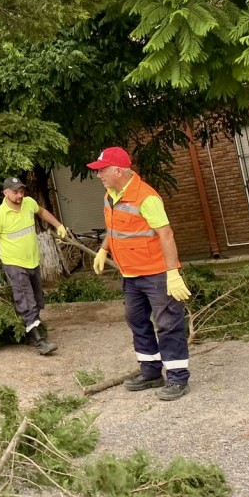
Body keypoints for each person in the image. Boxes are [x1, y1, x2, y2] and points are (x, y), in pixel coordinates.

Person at [87, 147, 192, 401]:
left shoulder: (146, 198)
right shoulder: (110, 195)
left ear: (118, 171)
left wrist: (172, 273)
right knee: (138, 322)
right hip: (131, 275)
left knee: (168, 324)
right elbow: (114, 230)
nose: (99, 175)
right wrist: (103, 250)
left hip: (156, 274)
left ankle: (178, 379)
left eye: (102, 170)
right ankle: (151, 372)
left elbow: (166, 234)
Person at [0, 176, 69, 355]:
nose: (20, 195)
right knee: (25, 300)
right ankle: (40, 342)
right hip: (14, 264)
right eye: (15, 192)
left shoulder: (29, 203)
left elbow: (42, 212)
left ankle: (31, 332)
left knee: (37, 299)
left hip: (32, 261)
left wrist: (59, 225)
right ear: (5, 193)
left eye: (21, 191)